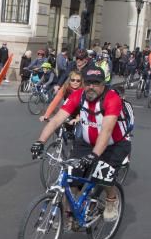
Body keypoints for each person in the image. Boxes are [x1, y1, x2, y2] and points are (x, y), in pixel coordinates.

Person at [31, 66, 129, 223]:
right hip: (86, 142)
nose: (91, 86)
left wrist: (94, 155)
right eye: (88, 82)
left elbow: (106, 131)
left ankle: (112, 199)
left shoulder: (111, 99)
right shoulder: (78, 95)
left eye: (96, 83)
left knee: (102, 175)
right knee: (72, 177)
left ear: (103, 84)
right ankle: (70, 216)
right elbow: (57, 119)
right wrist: (40, 141)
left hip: (114, 144)